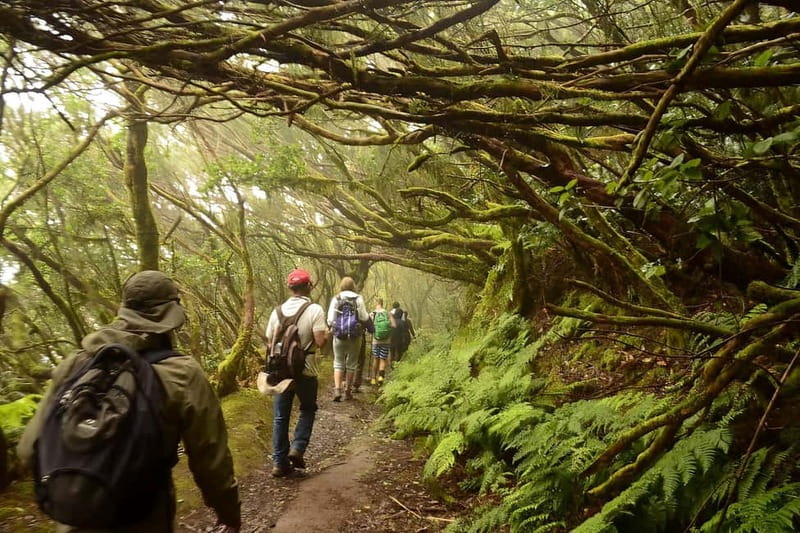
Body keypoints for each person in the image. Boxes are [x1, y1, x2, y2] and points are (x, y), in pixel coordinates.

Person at [17, 270, 241, 532]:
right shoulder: (181, 373)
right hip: (144, 517)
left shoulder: (76, 363)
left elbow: (27, 449)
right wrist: (228, 512)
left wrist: (77, 488)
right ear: (171, 315)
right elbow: (211, 457)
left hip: (74, 519)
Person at [265, 268, 327, 477]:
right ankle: (298, 448)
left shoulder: (277, 312)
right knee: (308, 408)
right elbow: (320, 342)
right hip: (306, 370)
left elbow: (269, 340)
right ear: (308, 287)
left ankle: (279, 463)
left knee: (280, 417)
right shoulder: (315, 310)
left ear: (290, 288)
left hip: (281, 372)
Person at [327, 276, 369, 401]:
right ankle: (347, 391)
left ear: (341, 286)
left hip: (339, 335)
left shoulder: (336, 298)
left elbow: (330, 319)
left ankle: (337, 389)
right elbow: (364, 317)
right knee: (351, 363)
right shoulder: (358, 299)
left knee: (338, 362)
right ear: (353, 286)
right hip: (355, 336)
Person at [369, 298, 395, 385]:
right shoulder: (387, 313)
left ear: (376, 303)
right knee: (382, 359)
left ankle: (373, 379)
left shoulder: (372, 314)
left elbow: (369, 328)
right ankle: (380, 377)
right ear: (382, 303)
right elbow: (394, 325)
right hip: (386, 341)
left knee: (375, 359)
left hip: (375, 340)